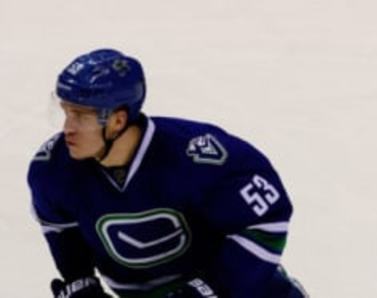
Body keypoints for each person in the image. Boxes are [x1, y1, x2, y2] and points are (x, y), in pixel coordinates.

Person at [27, 48, 308, 298]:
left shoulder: (198, 158)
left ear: (117, 120)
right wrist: (80, 284)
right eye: (65, 112)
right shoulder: (53, 171)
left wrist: (213, 289)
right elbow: (65, 238)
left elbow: (265, 223)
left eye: (81, 116)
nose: (68, 128)